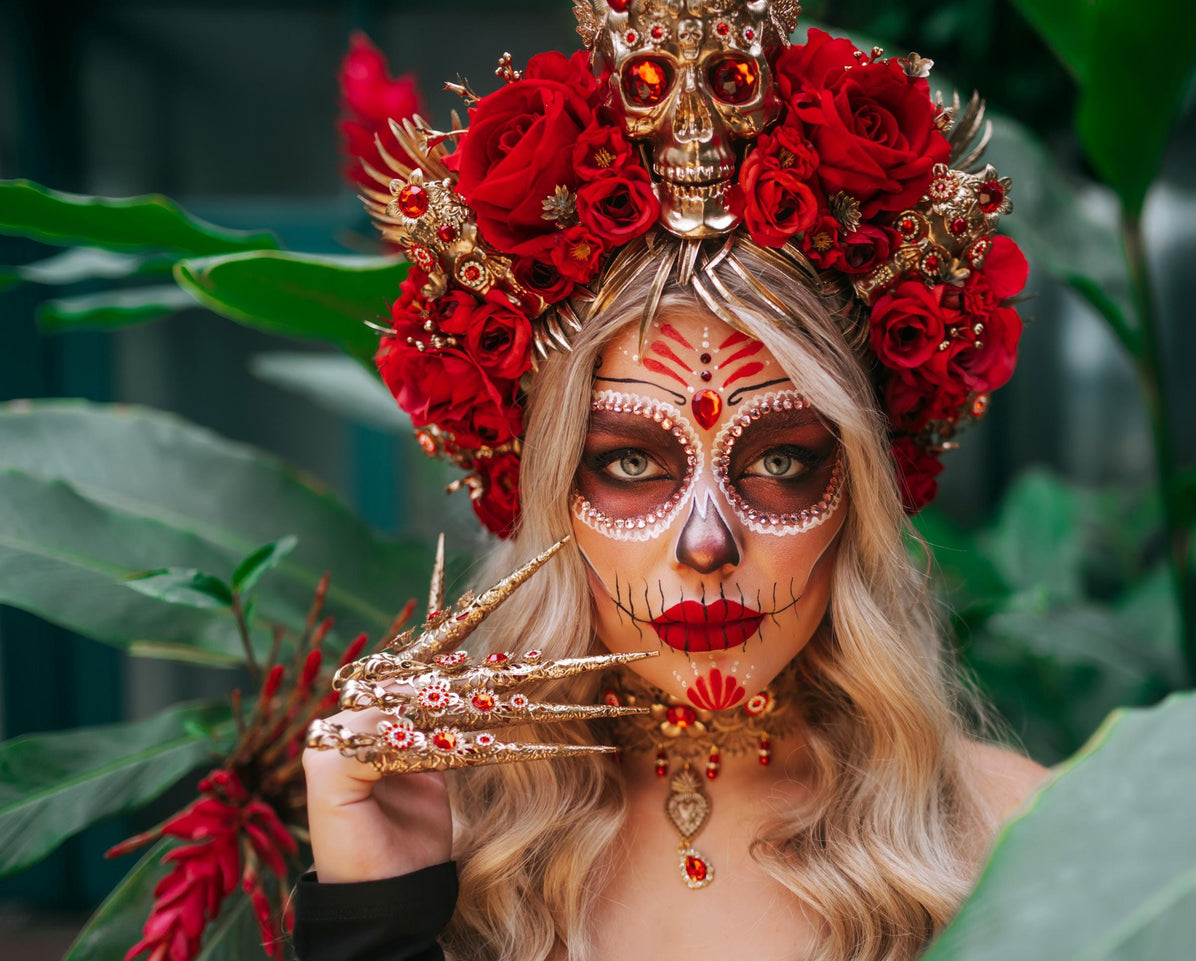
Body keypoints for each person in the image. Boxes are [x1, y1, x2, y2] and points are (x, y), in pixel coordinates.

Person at [299, 2, 1048, 958]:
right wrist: (378, 914)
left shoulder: (1015, 835)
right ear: (546, 491)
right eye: (628, 462)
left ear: (858, 484)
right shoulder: (446, 837)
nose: (705, 544)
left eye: (779, 461)